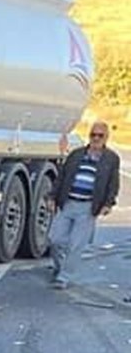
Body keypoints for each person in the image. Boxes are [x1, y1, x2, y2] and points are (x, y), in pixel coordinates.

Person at [49, 121, 119, 289]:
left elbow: (113, 183)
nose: (96, 138)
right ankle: (59, 267)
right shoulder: (76, 154)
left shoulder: (111, 158)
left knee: (75, 245)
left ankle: (63, 278)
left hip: (88, 207)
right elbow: (62, 177)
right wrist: (52, 197)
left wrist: (108, 203)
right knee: (54, 239)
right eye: (93, 135)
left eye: (100, 135)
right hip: (68, 203)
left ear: (106, 137)